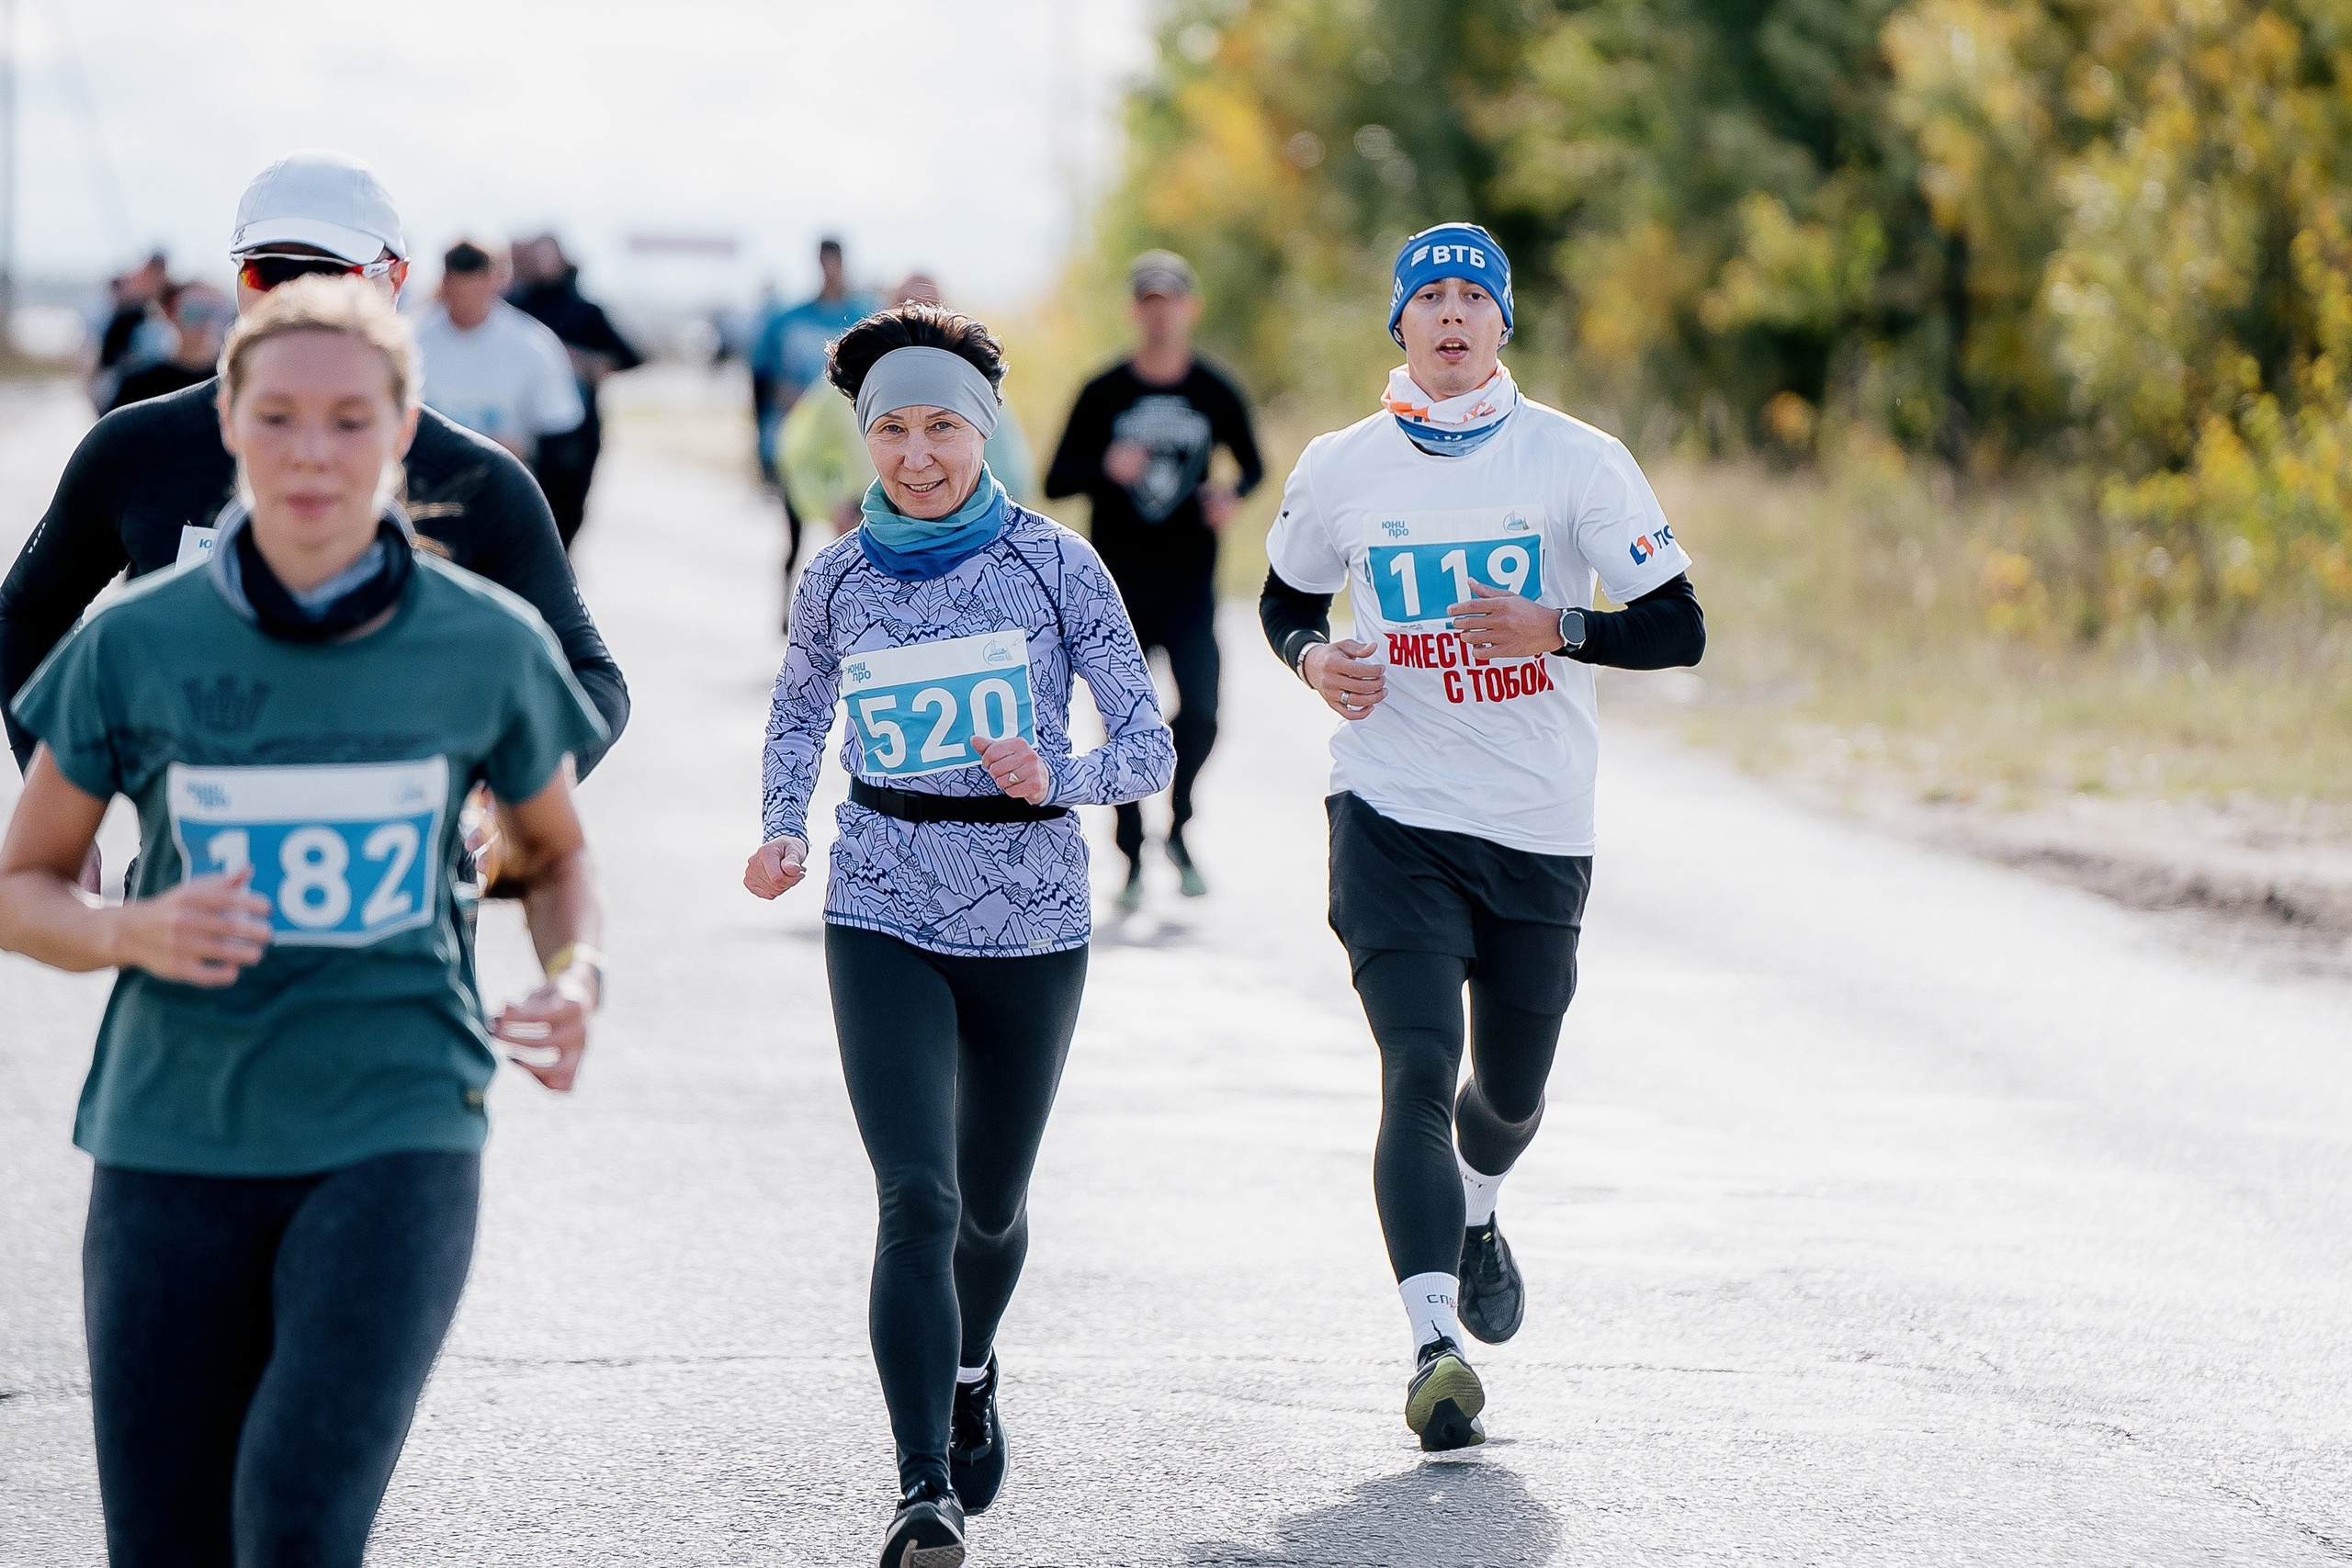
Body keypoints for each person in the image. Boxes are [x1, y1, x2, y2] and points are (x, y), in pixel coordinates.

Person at [0, 274, 609, 1565]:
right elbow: (23, 887)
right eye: (278, 417)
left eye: (348, 419)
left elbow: (555, 854)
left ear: (403, 426)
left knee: (293, 1521)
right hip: (171, 1142)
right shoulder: (137, 644)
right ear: (228, 419)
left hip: (394, 1129)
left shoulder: (485, 643)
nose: (312, 453)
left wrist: (577, 974)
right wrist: (126, 930)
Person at [1257, 222, 1705, 1452]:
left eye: (1474, 296)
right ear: (1398, 326)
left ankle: (1482, 1205)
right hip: (1390, 811)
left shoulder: (1580, 461)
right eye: (1429, 297)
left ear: (1504, 325)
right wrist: (1315, 659)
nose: (1451, 315)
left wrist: (1557, 624)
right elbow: (1285, 596)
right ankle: (1432, 1343)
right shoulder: (1340, 466)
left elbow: (1680, 629)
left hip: (1537, 825)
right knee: (1412, 1065)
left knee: (1503, 1092)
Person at [744, 303, 1171, 1567]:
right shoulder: (836, 573)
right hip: (879, 896)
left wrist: (1060, 778)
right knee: (916, 1197)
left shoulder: (1055, 564)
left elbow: (1147, 740)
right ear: (861, 435)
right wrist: (783, 828)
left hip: (1032, 914)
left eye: (942, 426)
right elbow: (795, 717)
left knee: (991, 1206)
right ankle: (920, 1483)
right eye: (890, 429)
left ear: (983, 429)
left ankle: (974, 1364)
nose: (916, 454)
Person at [0, 150, 629, 832]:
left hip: (408, 926)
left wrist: (496, 806)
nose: (299, 300)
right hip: (178, 912)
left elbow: (592, 679)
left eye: (330, 273)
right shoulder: (139, 449)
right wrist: (57, 814)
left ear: (397, 282)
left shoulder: (477, 479)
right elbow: (23, 616)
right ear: (237, 280)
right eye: (271, 272)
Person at [1045, 249, 1262, 910]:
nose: (1159, 312)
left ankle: (1182, 821)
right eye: (1147, 300)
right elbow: (1057, 479)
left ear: (1189, 309)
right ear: (1134, 310)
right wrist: (1104, 464)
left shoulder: (1213, 390)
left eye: (1169, 300)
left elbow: (1253, 466)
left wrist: (1230, 494)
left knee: (1202, 713)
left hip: (1191, 587)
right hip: (1117, 594)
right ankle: (1133, 856)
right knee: (1122, 727)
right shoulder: (1104, 390)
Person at [778, 273, 1038, 547]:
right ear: (888, 311)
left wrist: (1000, 533)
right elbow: (799, 450)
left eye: (941, 426)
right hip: (872, 538)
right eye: (892, 427)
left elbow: (1013, 472)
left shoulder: (972, 389)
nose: (919, 315)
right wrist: (833, 503)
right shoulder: (849, 388)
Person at [752, 238, 881, 626]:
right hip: (798, 441)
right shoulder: (788, 320)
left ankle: (843, 610)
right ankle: (789, 607)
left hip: (848, 445)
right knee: (792, 531)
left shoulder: (862, 317)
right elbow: (761, 378)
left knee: (850, 530)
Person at [508, 234, 644, 549]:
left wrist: (580, 361)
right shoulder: (515, 307)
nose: (542, 263)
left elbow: (632, 358)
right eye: (535, 255)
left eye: (548, 254)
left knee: (569, 514)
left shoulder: (586, 311)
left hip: (579, 430)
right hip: (524, 431)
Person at [412, 241, 585, 466]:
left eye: (474, 292)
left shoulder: (533, 344)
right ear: (445, 283)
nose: (466, 303)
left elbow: (559, 428)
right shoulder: (409, 337)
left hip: (505, 482)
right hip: (421, 481)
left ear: (496, 282)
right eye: (460, 292)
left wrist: (523, 450)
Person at [107, 282, 235, 412]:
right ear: (170, 314)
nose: (207, 323)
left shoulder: (234, 382)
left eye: (217, 312)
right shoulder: (138, 385)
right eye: (194, 312)